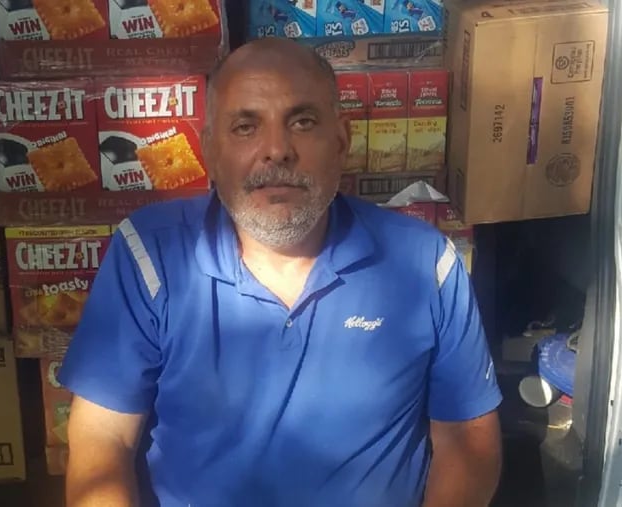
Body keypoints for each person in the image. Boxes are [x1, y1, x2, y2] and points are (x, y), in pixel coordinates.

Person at [59, 37, 503, 507]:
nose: (276, 150)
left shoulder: (425, 265)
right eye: (245, 126)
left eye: (302, 122)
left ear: (341, 142)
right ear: (209, 151)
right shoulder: (150, 255)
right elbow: (102, 437)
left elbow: (467, 441)